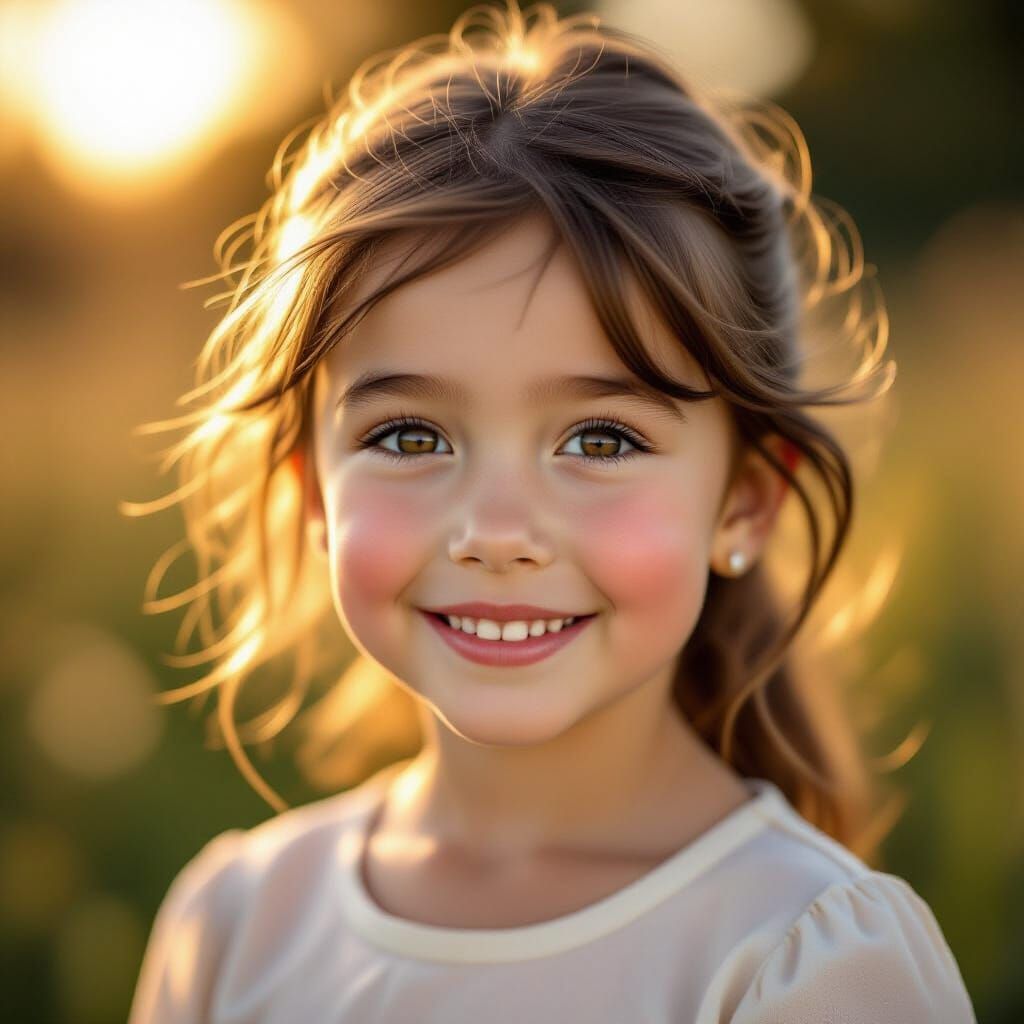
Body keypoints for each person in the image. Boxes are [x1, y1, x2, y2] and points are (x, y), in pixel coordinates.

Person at [124, 1, 977, 1020]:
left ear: (744, 504)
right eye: (410, 437)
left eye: (600, 441)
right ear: (315, 490)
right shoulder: (235, 925)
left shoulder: (801, 957)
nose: (495, 532)